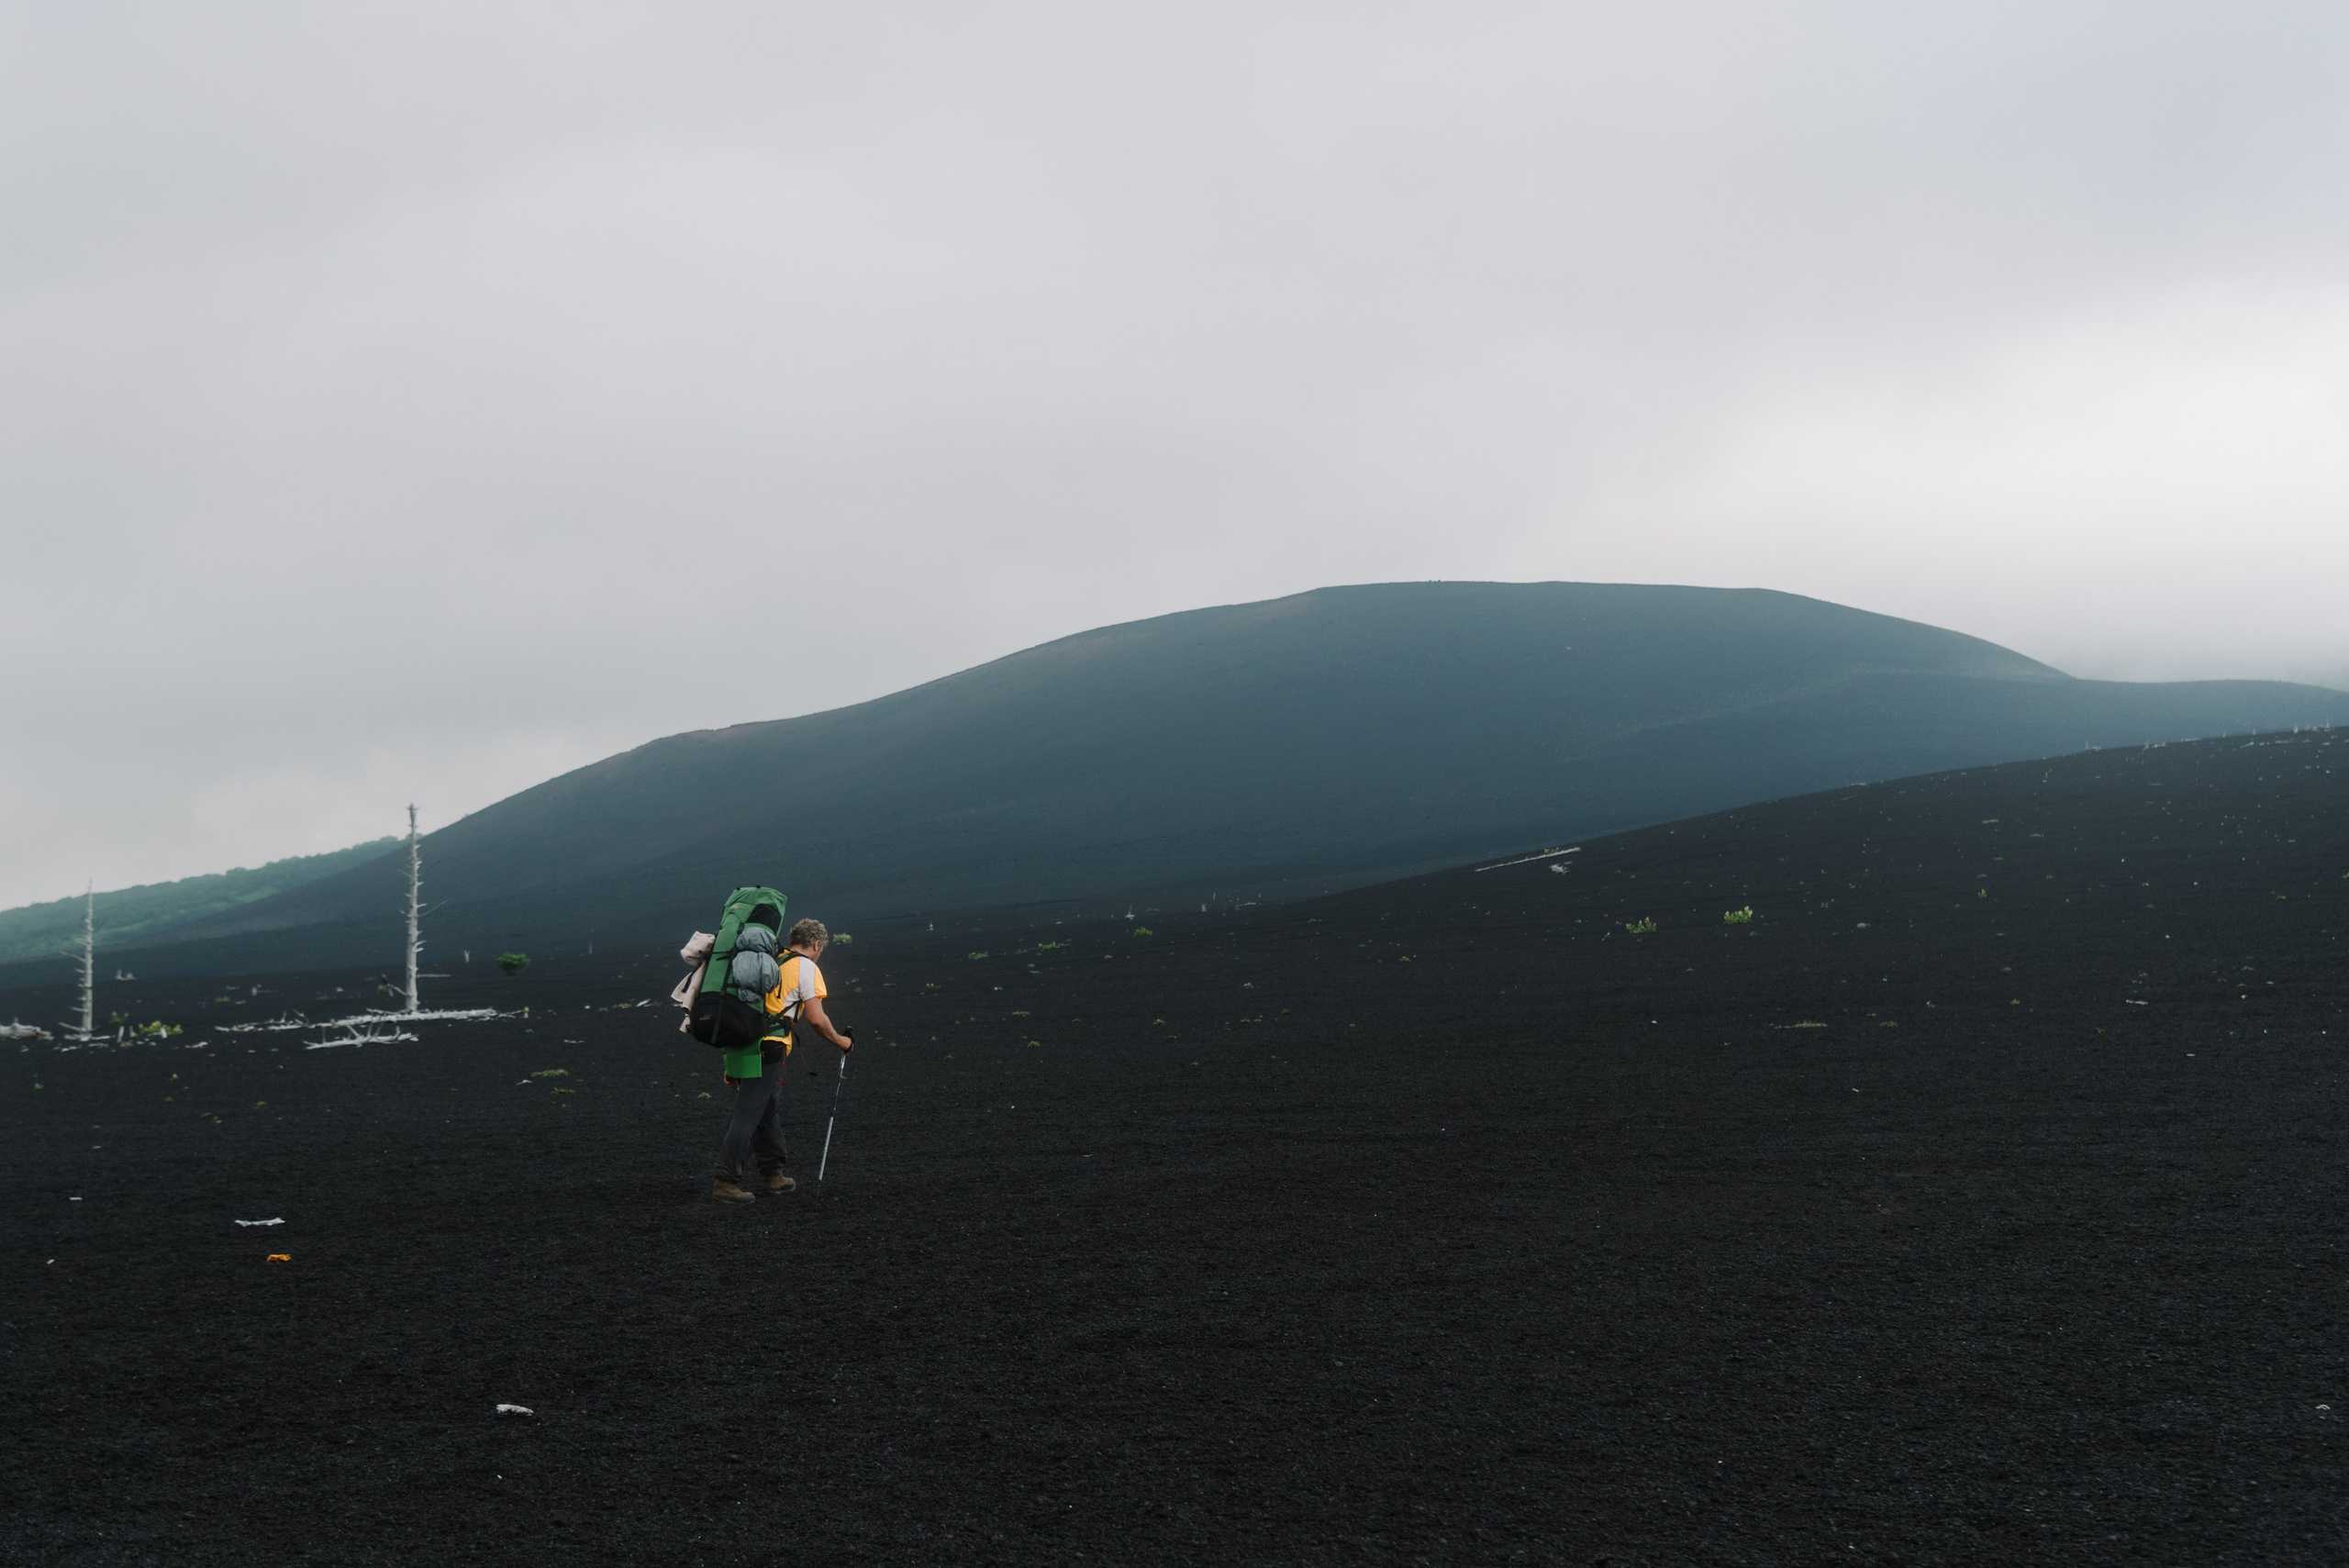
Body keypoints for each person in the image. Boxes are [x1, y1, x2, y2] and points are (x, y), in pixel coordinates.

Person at [712, 917, 852, 1203]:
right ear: (816, 944)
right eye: (821, 948)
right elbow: (816, 1018)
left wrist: (732, 1063)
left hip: (745, 1044)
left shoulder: (765, 961)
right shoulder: (806, 967)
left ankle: (773, 1175)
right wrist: (841, 1041)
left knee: (766, 1109)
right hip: (772, 1048)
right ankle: (726, 1182)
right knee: (748, 1114)